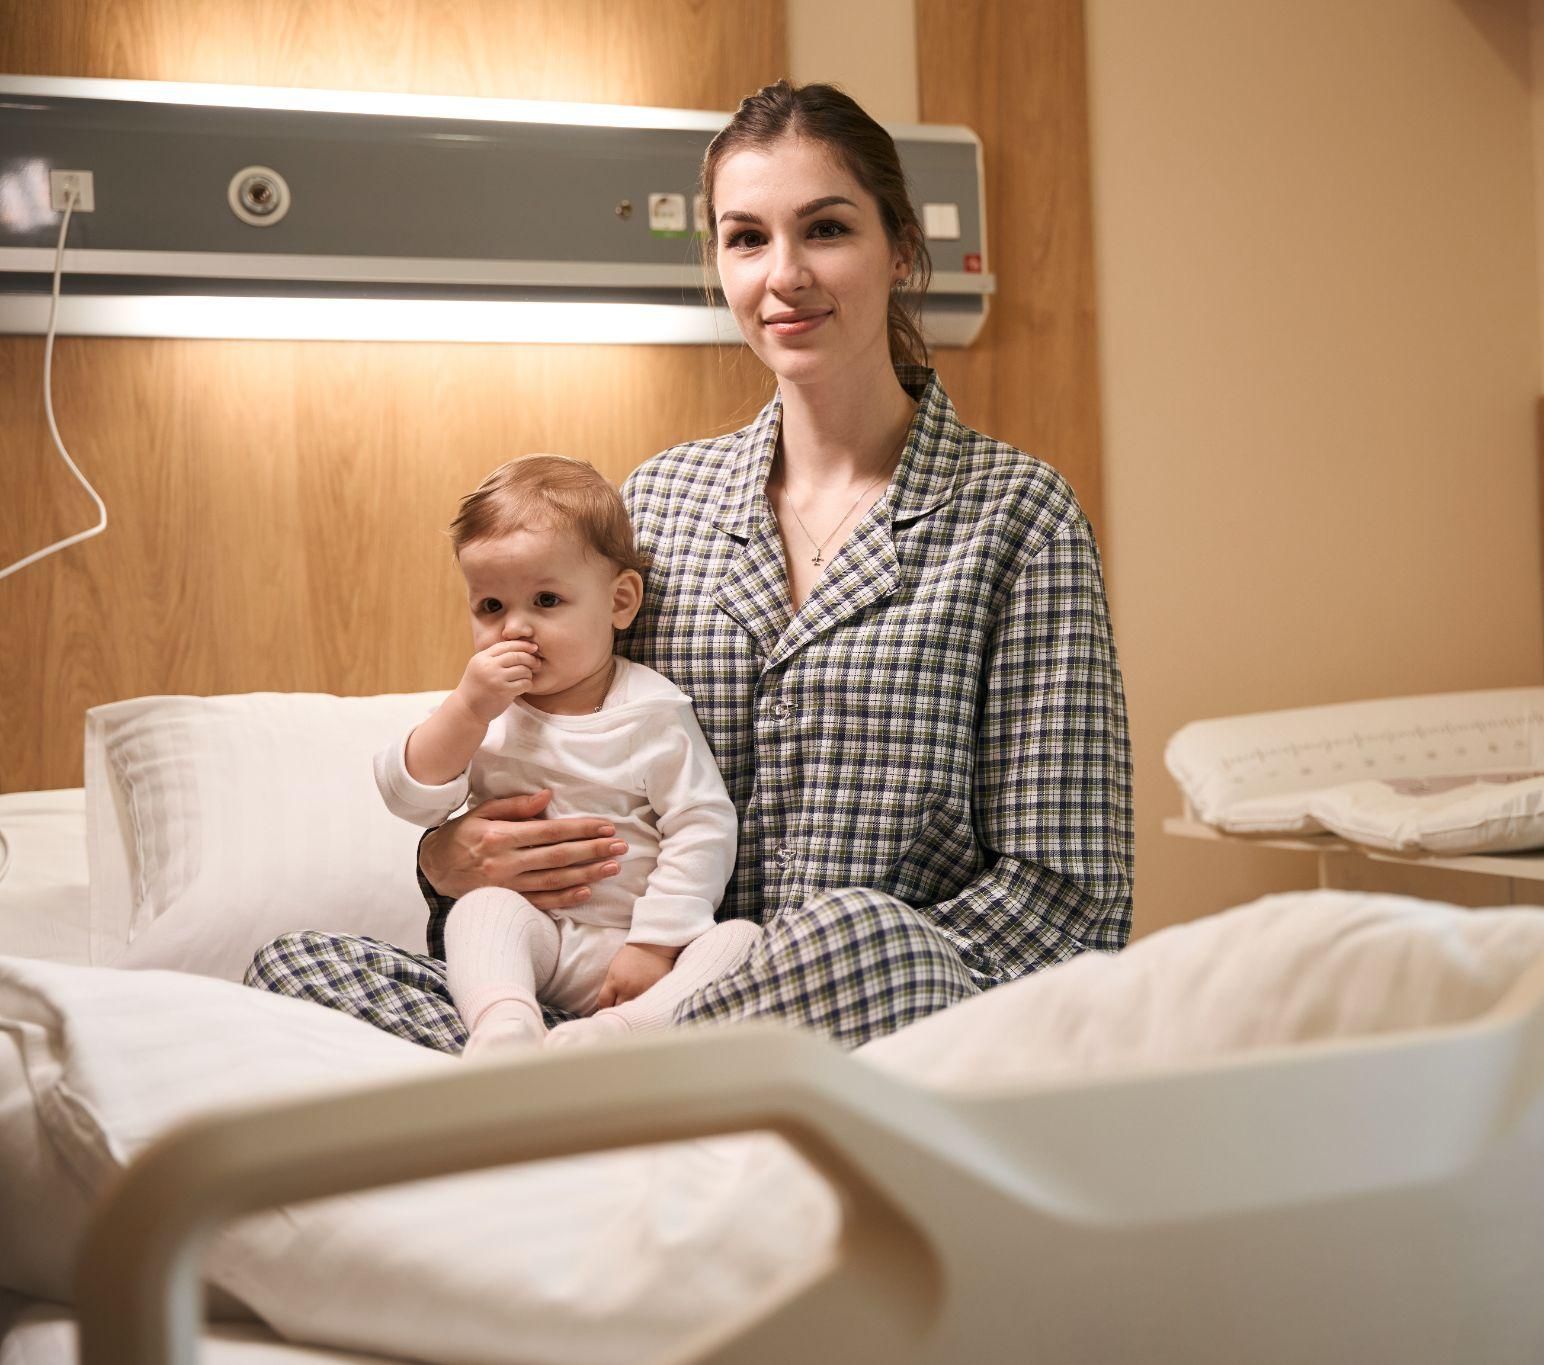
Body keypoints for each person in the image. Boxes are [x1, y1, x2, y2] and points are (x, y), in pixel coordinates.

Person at [247, 79, 1133, 1052]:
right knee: (286, 967)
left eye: (825, 229)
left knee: (861, 934)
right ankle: (581, 1080)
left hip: (867, 1017)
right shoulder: (661, 505)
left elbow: (1067, 898)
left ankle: (572, 1092)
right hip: (615, 986)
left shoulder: (1016, 518)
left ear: (902, 250)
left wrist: (838, 976)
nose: (782, 274)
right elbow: (547, 746)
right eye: (746, 238)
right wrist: (450, 861)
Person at [374, 455, 751, 1058]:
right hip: (537, 940)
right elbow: (409, 793)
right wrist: (468, 709)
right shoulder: (486, 712)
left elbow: (701, 825)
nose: (514, 628)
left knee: (740, 942)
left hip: (641, 950)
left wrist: (654, 946)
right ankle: (504, 1027)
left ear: (620, 602)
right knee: (481, 910)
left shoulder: (651, 711)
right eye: (490, 607)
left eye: (546, 600)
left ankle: (611, 1038)